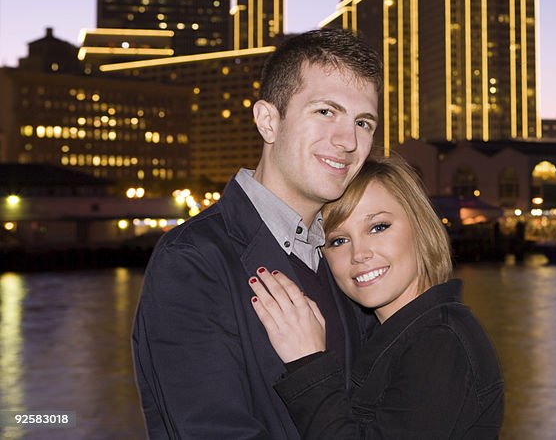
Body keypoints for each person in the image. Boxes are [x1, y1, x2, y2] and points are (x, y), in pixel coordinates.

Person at [132, 29, 382, 439]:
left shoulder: (341, 256)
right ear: (268, 120)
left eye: (363, 122)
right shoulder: (193, 260)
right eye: (325, 112)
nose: (349, 141)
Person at [248, 157, 504, 439]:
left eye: (378, 227)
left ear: (420, 228)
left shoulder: (440, 341)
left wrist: (307, 363)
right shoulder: (398, 335)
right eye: (338, 240)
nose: (359, 254)